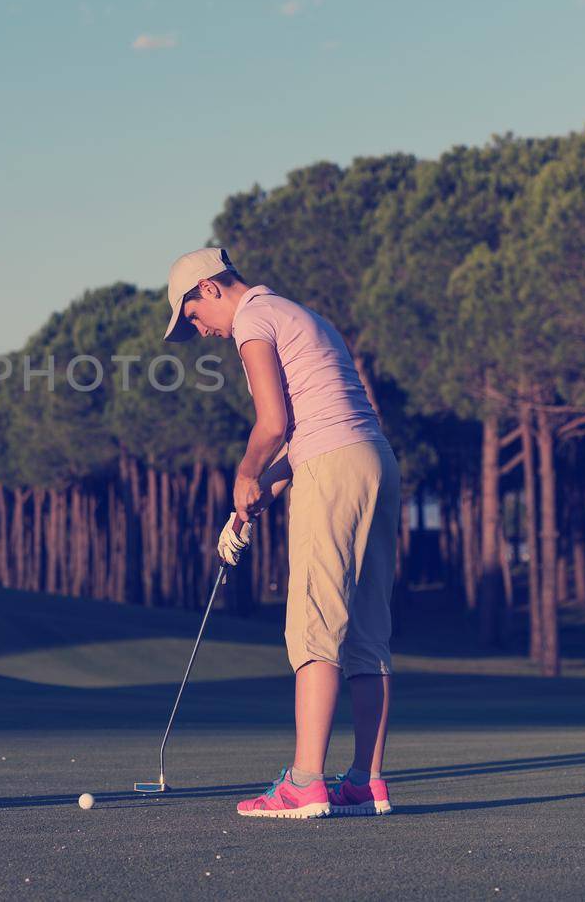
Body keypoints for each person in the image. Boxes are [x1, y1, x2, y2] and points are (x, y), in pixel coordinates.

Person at [164, 246, 398, 819]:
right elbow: (312, 427)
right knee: (368, 634)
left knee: (314, 626)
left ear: (211, 288)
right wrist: (261, 494)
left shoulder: (250, 320)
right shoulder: (303, 316)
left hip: (332, 466)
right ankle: (366, 782)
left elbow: (273, 424)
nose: (199, 330)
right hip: (375, 463)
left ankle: (305, 782)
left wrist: (244, 473)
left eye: (192, 315)